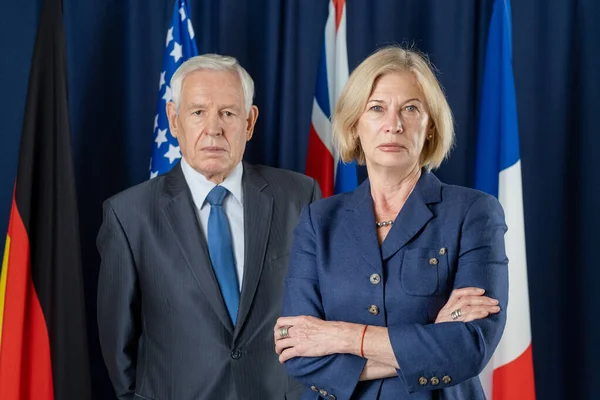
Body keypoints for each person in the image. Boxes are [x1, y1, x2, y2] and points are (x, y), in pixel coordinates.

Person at [274, 46, 508, 400]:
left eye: (411, 108)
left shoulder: (474, 213)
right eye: (377, 108)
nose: (393, 124)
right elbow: (297, 351)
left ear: (430, 127)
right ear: (354, 125)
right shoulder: (318, 220)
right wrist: (431, 335)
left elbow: (469, 347)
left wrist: (341, 337)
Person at [97, 54, 320, 400]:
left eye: (228, 113)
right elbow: (118, 345)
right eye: (198, 112)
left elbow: (320, 309)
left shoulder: (299, 195)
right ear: (174, 120)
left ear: (249, 122)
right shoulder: (129, 215)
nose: (213, 128)